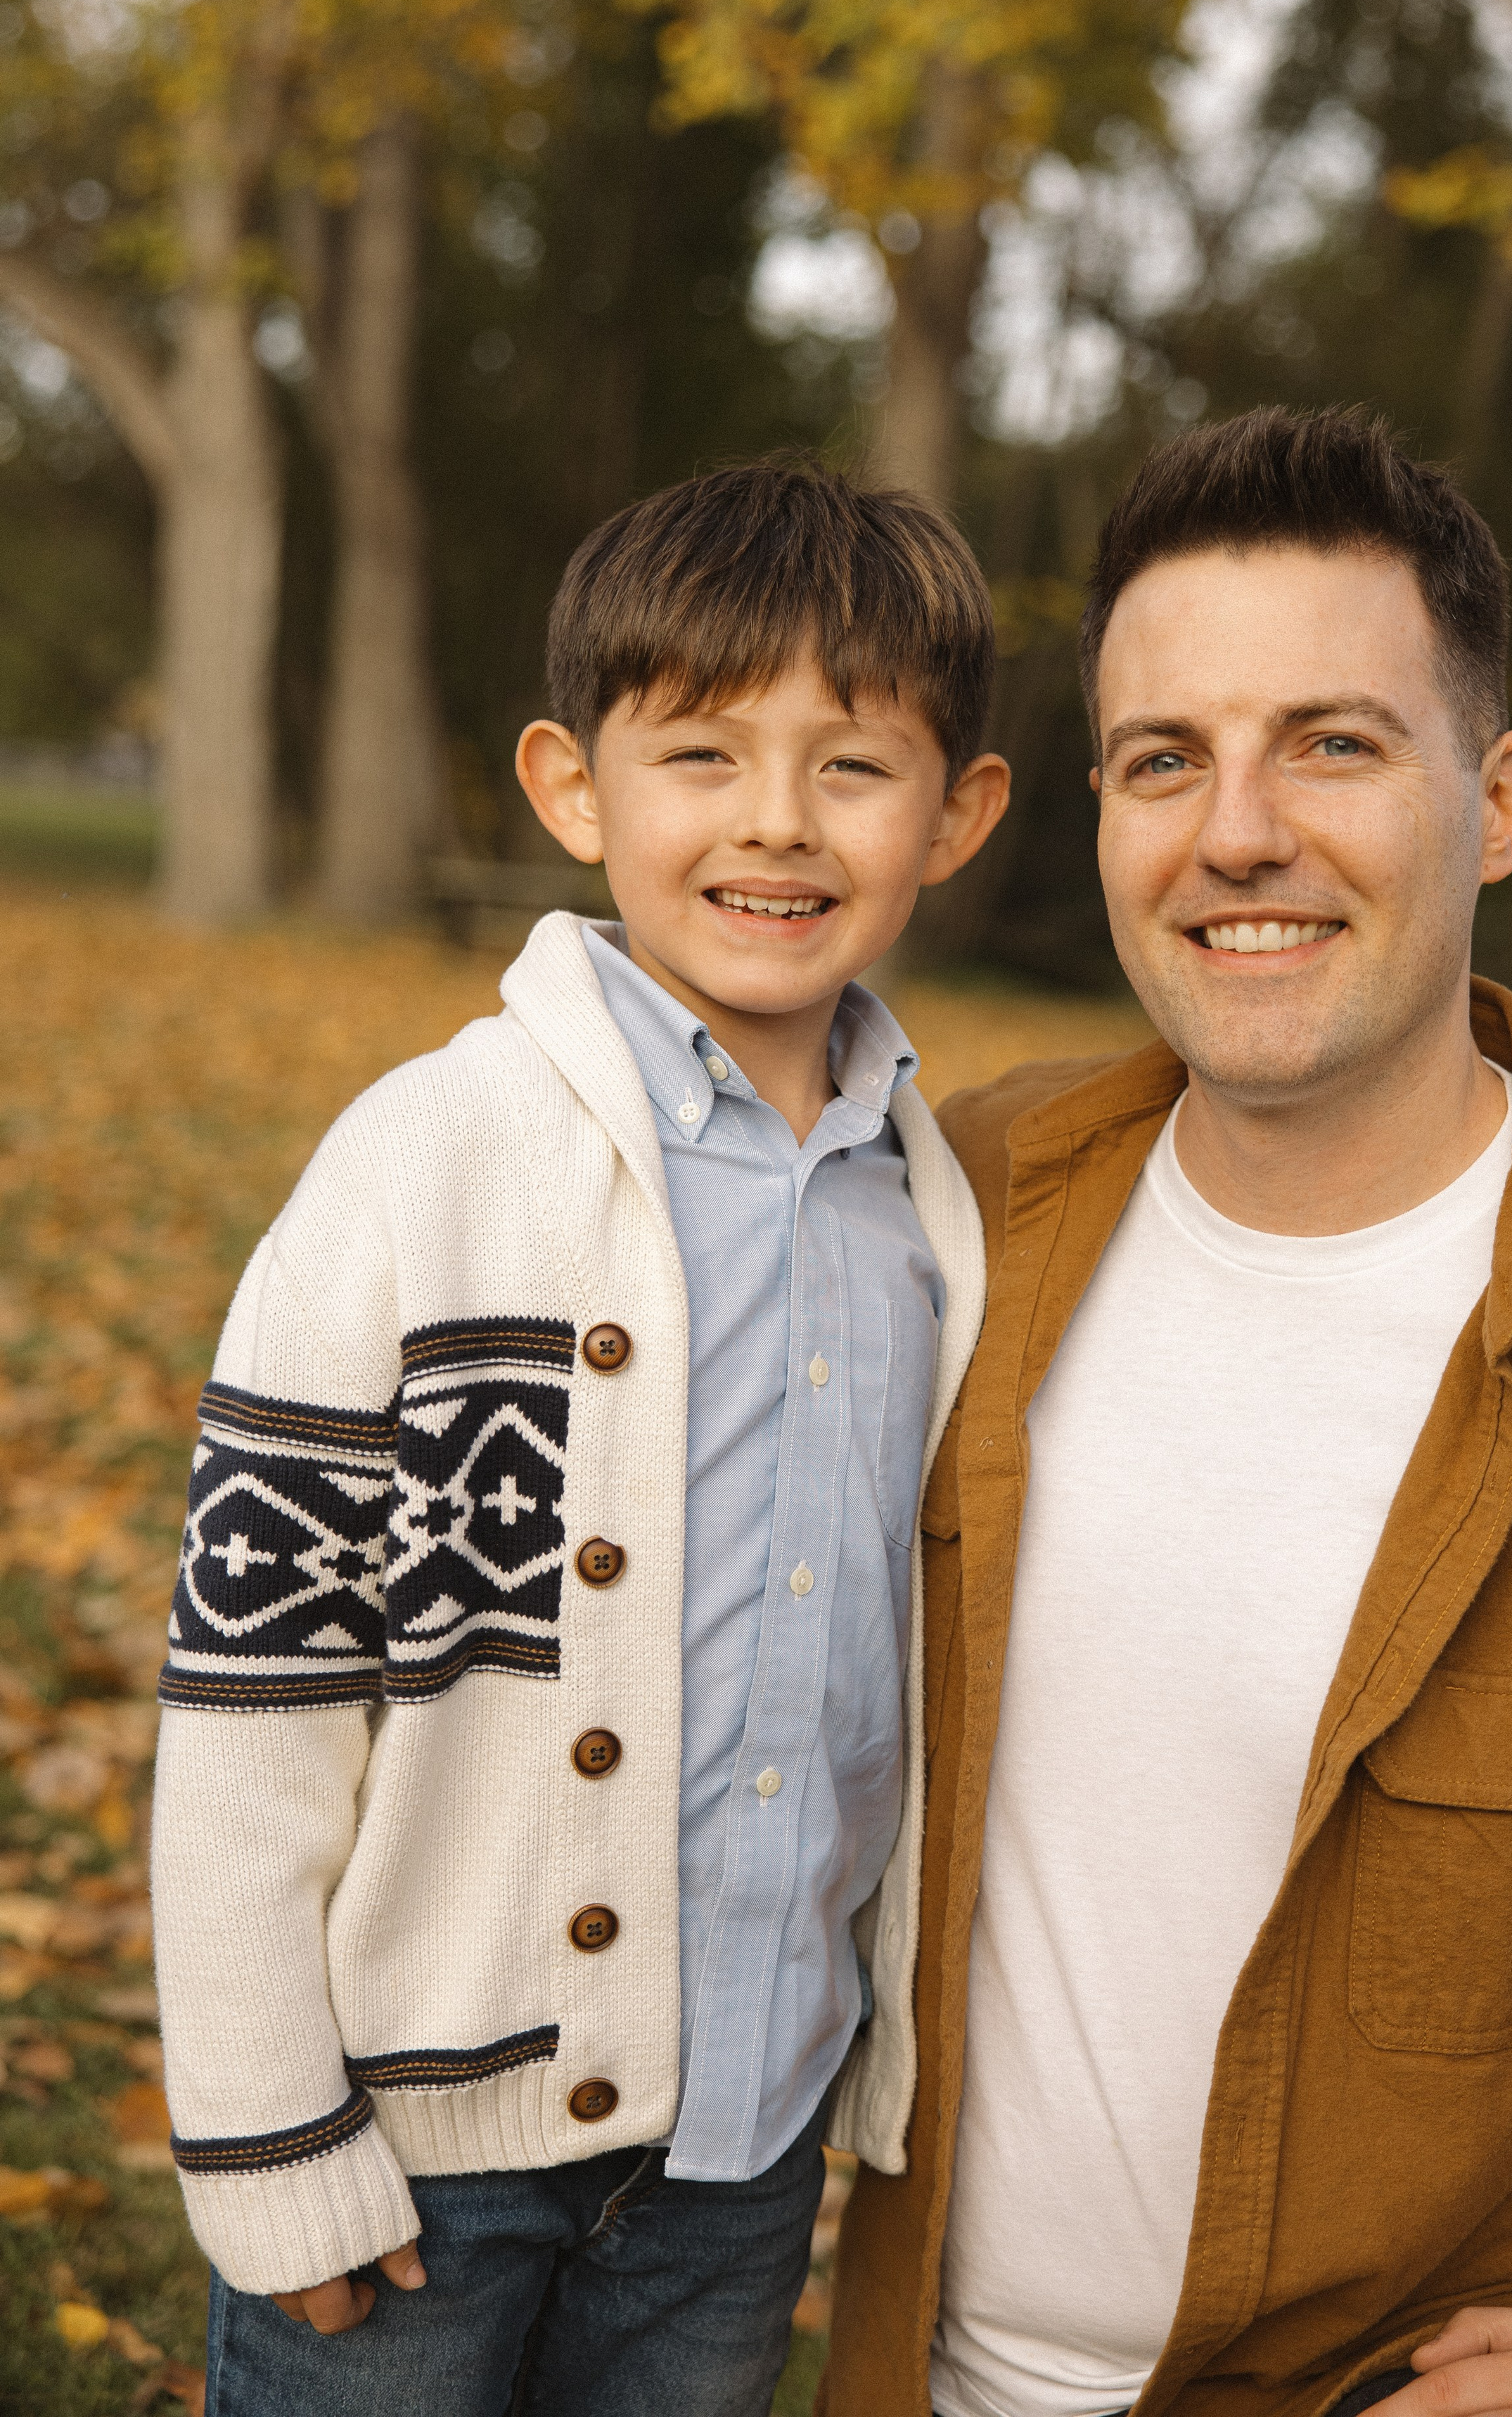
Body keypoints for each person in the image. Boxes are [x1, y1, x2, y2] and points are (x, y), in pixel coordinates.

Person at [821, 406, 1512, 2417]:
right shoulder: (936, 1216)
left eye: (1333, 744)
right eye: (1164, 760)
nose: (1238, 834)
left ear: (1495, 801)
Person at [148, 455, 1011, 2417]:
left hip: (739, 2148)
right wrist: (269, 2129)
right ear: (572, 787)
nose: (776, 821)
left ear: (957, 815)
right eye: (700, 754)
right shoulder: (428, 1163)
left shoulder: (927, 1215)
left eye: (855, 766)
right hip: (413, 2157)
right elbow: (259, 1681)